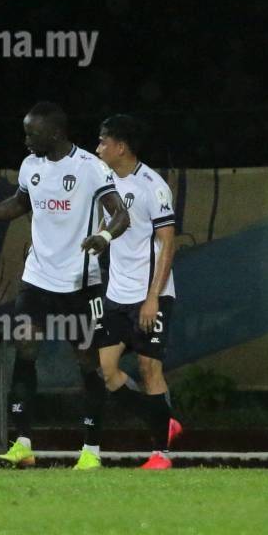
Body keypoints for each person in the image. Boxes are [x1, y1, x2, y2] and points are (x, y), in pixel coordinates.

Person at [0, 101, 130, 468]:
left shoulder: (90, 168)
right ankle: (21, 444)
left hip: (80, 281)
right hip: (37, 279)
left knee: (87, 362)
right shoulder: (31, 166)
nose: (26, 140)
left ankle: (91, 451)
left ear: (53, 133)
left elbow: (121, 214)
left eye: (31, 133)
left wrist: (102, 237)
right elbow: (20, 203)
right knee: (25, 349)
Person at [86, 115, 183, 469]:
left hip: (150, 295)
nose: (98, 149)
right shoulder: (105, 182)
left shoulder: (152, 186)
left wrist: (153, 297)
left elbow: (168, 244)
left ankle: (161, 454)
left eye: (102, 142)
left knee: (148, 368)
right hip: (117, 295)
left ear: (120, 147)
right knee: (106, 370)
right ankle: (162, 418)